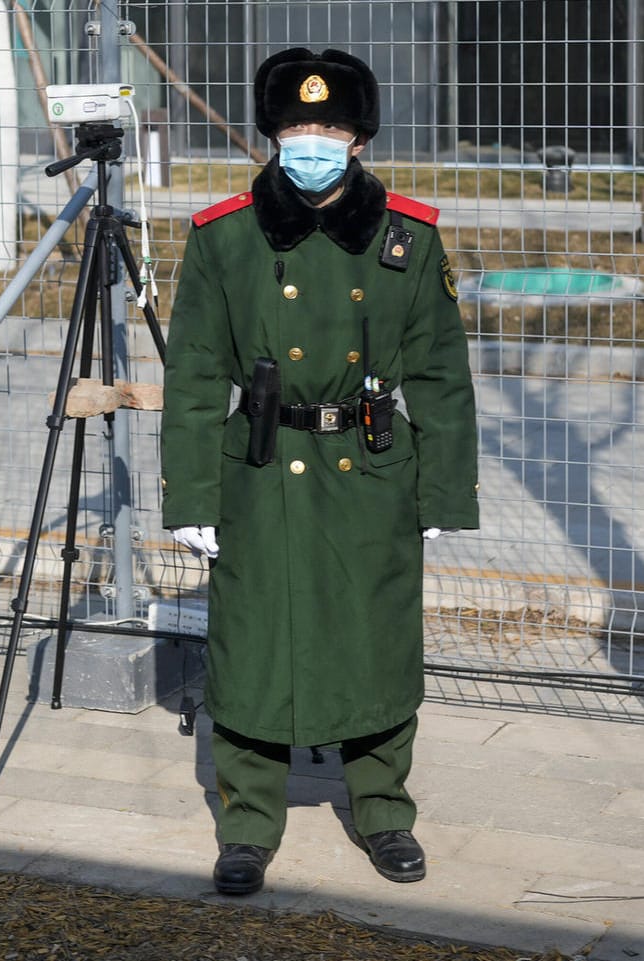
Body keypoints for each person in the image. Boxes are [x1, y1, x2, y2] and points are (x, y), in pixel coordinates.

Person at [159, 47, 479, 897]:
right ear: (271, 134)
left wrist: (444, 487)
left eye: (328, 129)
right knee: (253, 643)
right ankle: (248, 825)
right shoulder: (225, 236)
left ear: (360, 140)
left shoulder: (408, 237)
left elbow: (442, 372)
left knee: (374, 642)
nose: (311, 142)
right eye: (297, 128)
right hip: (260, 467)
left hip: (371, 467)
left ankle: (383, 812)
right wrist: (191, 492)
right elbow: (192, 369)